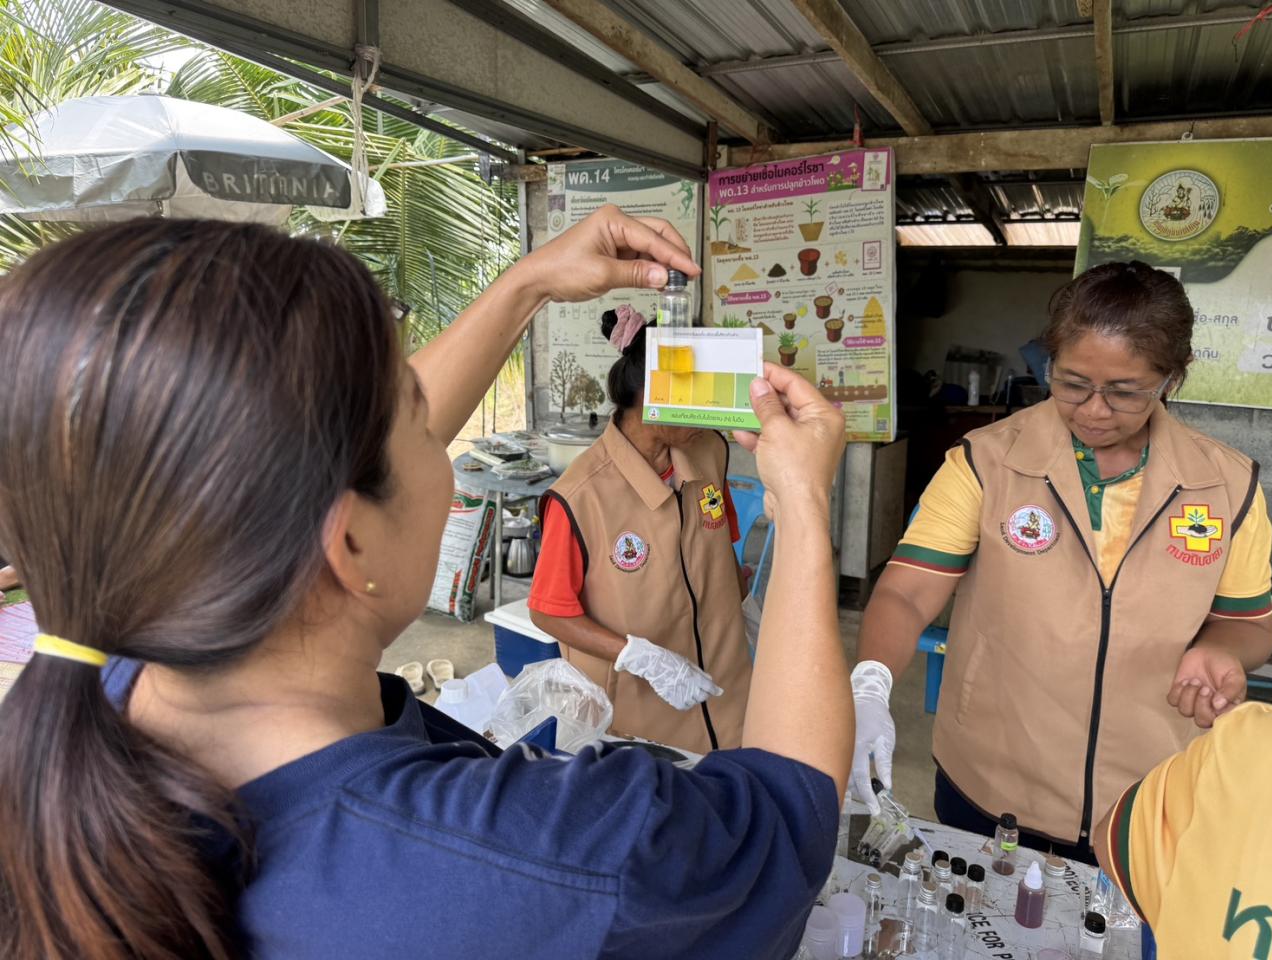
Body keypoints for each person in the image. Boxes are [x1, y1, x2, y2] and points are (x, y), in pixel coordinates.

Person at [0, 210, 854, 960]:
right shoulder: (558, 861)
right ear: (347, 542)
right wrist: (805, 503)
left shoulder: (87, 695)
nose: (444, 461)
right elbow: (787, 818)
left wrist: (527, 285)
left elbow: (317, 468)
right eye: (418, 422)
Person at [849, 261, 1272, 863]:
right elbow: (909, 591)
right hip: (992, 779)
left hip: (1145, 793)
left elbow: (1250, 622)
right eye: (1071, 383)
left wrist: (1223, 649)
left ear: (1173, 377)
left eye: (1125, 391)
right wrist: (870, 686)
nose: (1094, 410)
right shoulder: (988, 462)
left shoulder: (1225, 485)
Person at [528, 304, 751, 753]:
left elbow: (720, 538)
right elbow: (548, 610)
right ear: (651, 393)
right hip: (635, 715)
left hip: (727, 693)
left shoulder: (709, 452)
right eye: (693, 396)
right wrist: (640, 657)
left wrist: (734, 590)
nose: (705, 413)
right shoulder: (581, 497)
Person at [1096, 701, 1272, 958]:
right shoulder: (1255, 739)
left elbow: (1113, 844)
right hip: (1065, 811)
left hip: (1141, 801)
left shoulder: (1254, 739)